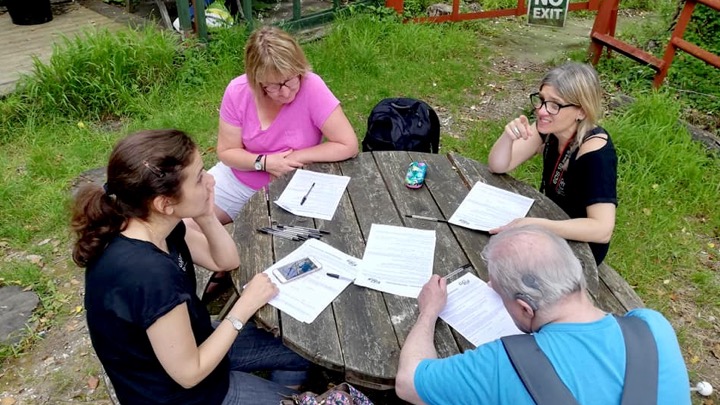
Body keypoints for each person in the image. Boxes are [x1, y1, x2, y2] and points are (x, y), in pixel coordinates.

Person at [71, 129, 309, 404]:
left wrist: (206, 214)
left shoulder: (151, 224)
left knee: (300, 349)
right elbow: (189, 373)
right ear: (164, 203)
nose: (210, 180)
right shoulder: (150, 275)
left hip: (197, 339)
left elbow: (225, 261)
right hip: (183, 394)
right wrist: (245, 306)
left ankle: (282, 392)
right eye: (198, 178)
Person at [395, 225, 690, 405]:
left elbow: (408, 382)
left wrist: (429, 312)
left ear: (525, 308)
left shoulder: (503, 364)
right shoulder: (652, 327)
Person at [207, 25, 358, 225]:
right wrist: (264, 162)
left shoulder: (312, 86)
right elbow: (227, 152)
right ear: (257, 81)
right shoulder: (238, 91)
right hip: (238, 181)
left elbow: (348, 144)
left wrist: (294, 158)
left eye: (290, 80)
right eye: (273, 86)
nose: (285, 92)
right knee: (180, 224)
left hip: (292, 183)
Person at [487, 62, 617, 264]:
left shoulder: (596, 154)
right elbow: (498, 166)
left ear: (582, 111)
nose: (541, 111)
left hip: (579, 249)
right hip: (551, 226)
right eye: (541, 100)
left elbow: (602, 230)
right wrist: (508, 137)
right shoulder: (550, 128)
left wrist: (536, 225)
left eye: (555, 105)